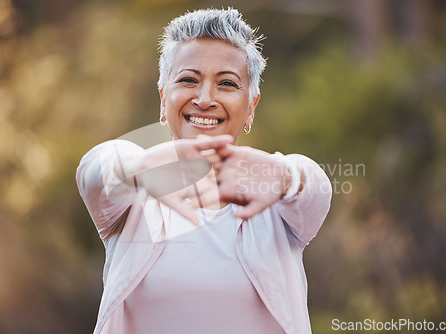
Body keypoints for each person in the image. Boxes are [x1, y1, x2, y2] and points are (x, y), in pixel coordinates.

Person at [76, 8, 332, 334]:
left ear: (251, 107)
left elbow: (316, 188)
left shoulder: (277, 201)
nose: (205, 98)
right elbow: (93, 170)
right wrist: (138, 168)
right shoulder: (129, 197)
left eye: (226, 83)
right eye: (188, 80)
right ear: (162, 99)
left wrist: (286, 176)